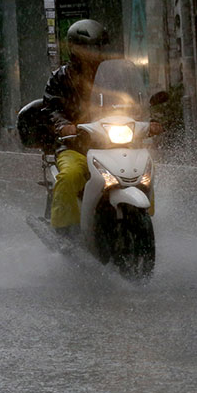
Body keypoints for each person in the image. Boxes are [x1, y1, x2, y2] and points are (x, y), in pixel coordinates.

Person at [41, 19, 110, 235]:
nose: (94, 52)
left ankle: (143, 214)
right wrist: (63, 126)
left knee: (142, 169)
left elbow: (132, 101)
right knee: (70, 175)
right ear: (74, 48)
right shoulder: (60, 78)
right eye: (88, 47)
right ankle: (63, 229)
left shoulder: (112, 75)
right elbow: (51, 107)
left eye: (98, 46)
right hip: (76, 146)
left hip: (111, 145)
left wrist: (149, 118)